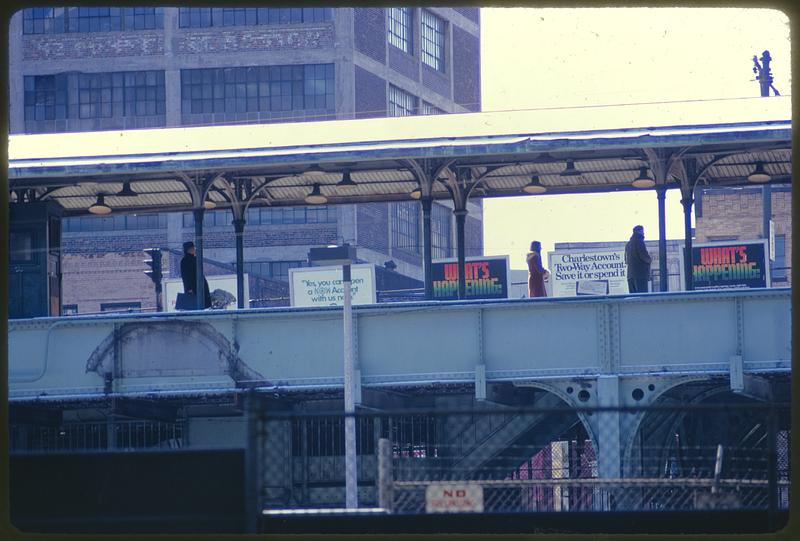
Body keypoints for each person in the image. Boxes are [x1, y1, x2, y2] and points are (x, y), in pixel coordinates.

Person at [180, 241, 211, 308]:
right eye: (193, 248)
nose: (194, 249)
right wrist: (189, 288)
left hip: (198, 287)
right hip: (194, 289)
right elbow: (186, 276)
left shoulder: (194, 259)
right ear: (189, 249)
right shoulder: (185, 261)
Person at [625, 225, 652, 293]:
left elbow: (626, 260)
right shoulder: (639, 241)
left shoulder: (628, 244)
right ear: (639, 231)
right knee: (642, 298)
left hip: (630, 276)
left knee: (634, 300)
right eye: (642, 231)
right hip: (640, 275)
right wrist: (649, 260)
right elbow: (644, 256)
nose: (643, 233)